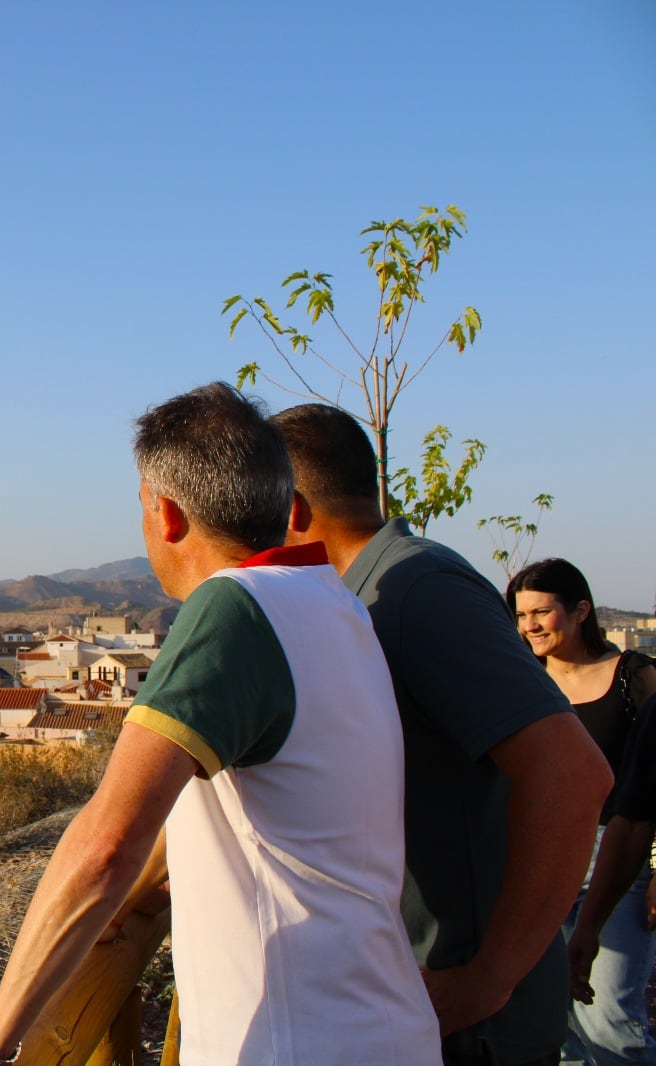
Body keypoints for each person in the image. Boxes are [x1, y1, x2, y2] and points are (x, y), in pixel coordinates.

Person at [0, 383, 439, 1066]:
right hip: (382, 1027)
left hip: (295, 1043)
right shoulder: (336, 607)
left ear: (166, 515)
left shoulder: (236, 608)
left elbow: (106, 847)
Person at [272, 404, 611, 1066]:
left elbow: (574, 777)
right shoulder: (365, 596)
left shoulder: (416, 590)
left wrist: (486, 982)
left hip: (468, 1024)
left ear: (291, 506)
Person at [507, 558, 656, 1066]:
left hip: (618, 860)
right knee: (559, 1020)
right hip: (538, 861)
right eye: (521, 614)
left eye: (541, 612)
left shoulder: (632, 677)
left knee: (611, 1017)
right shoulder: (520, 681)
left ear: (581, 611)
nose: (529, 625)